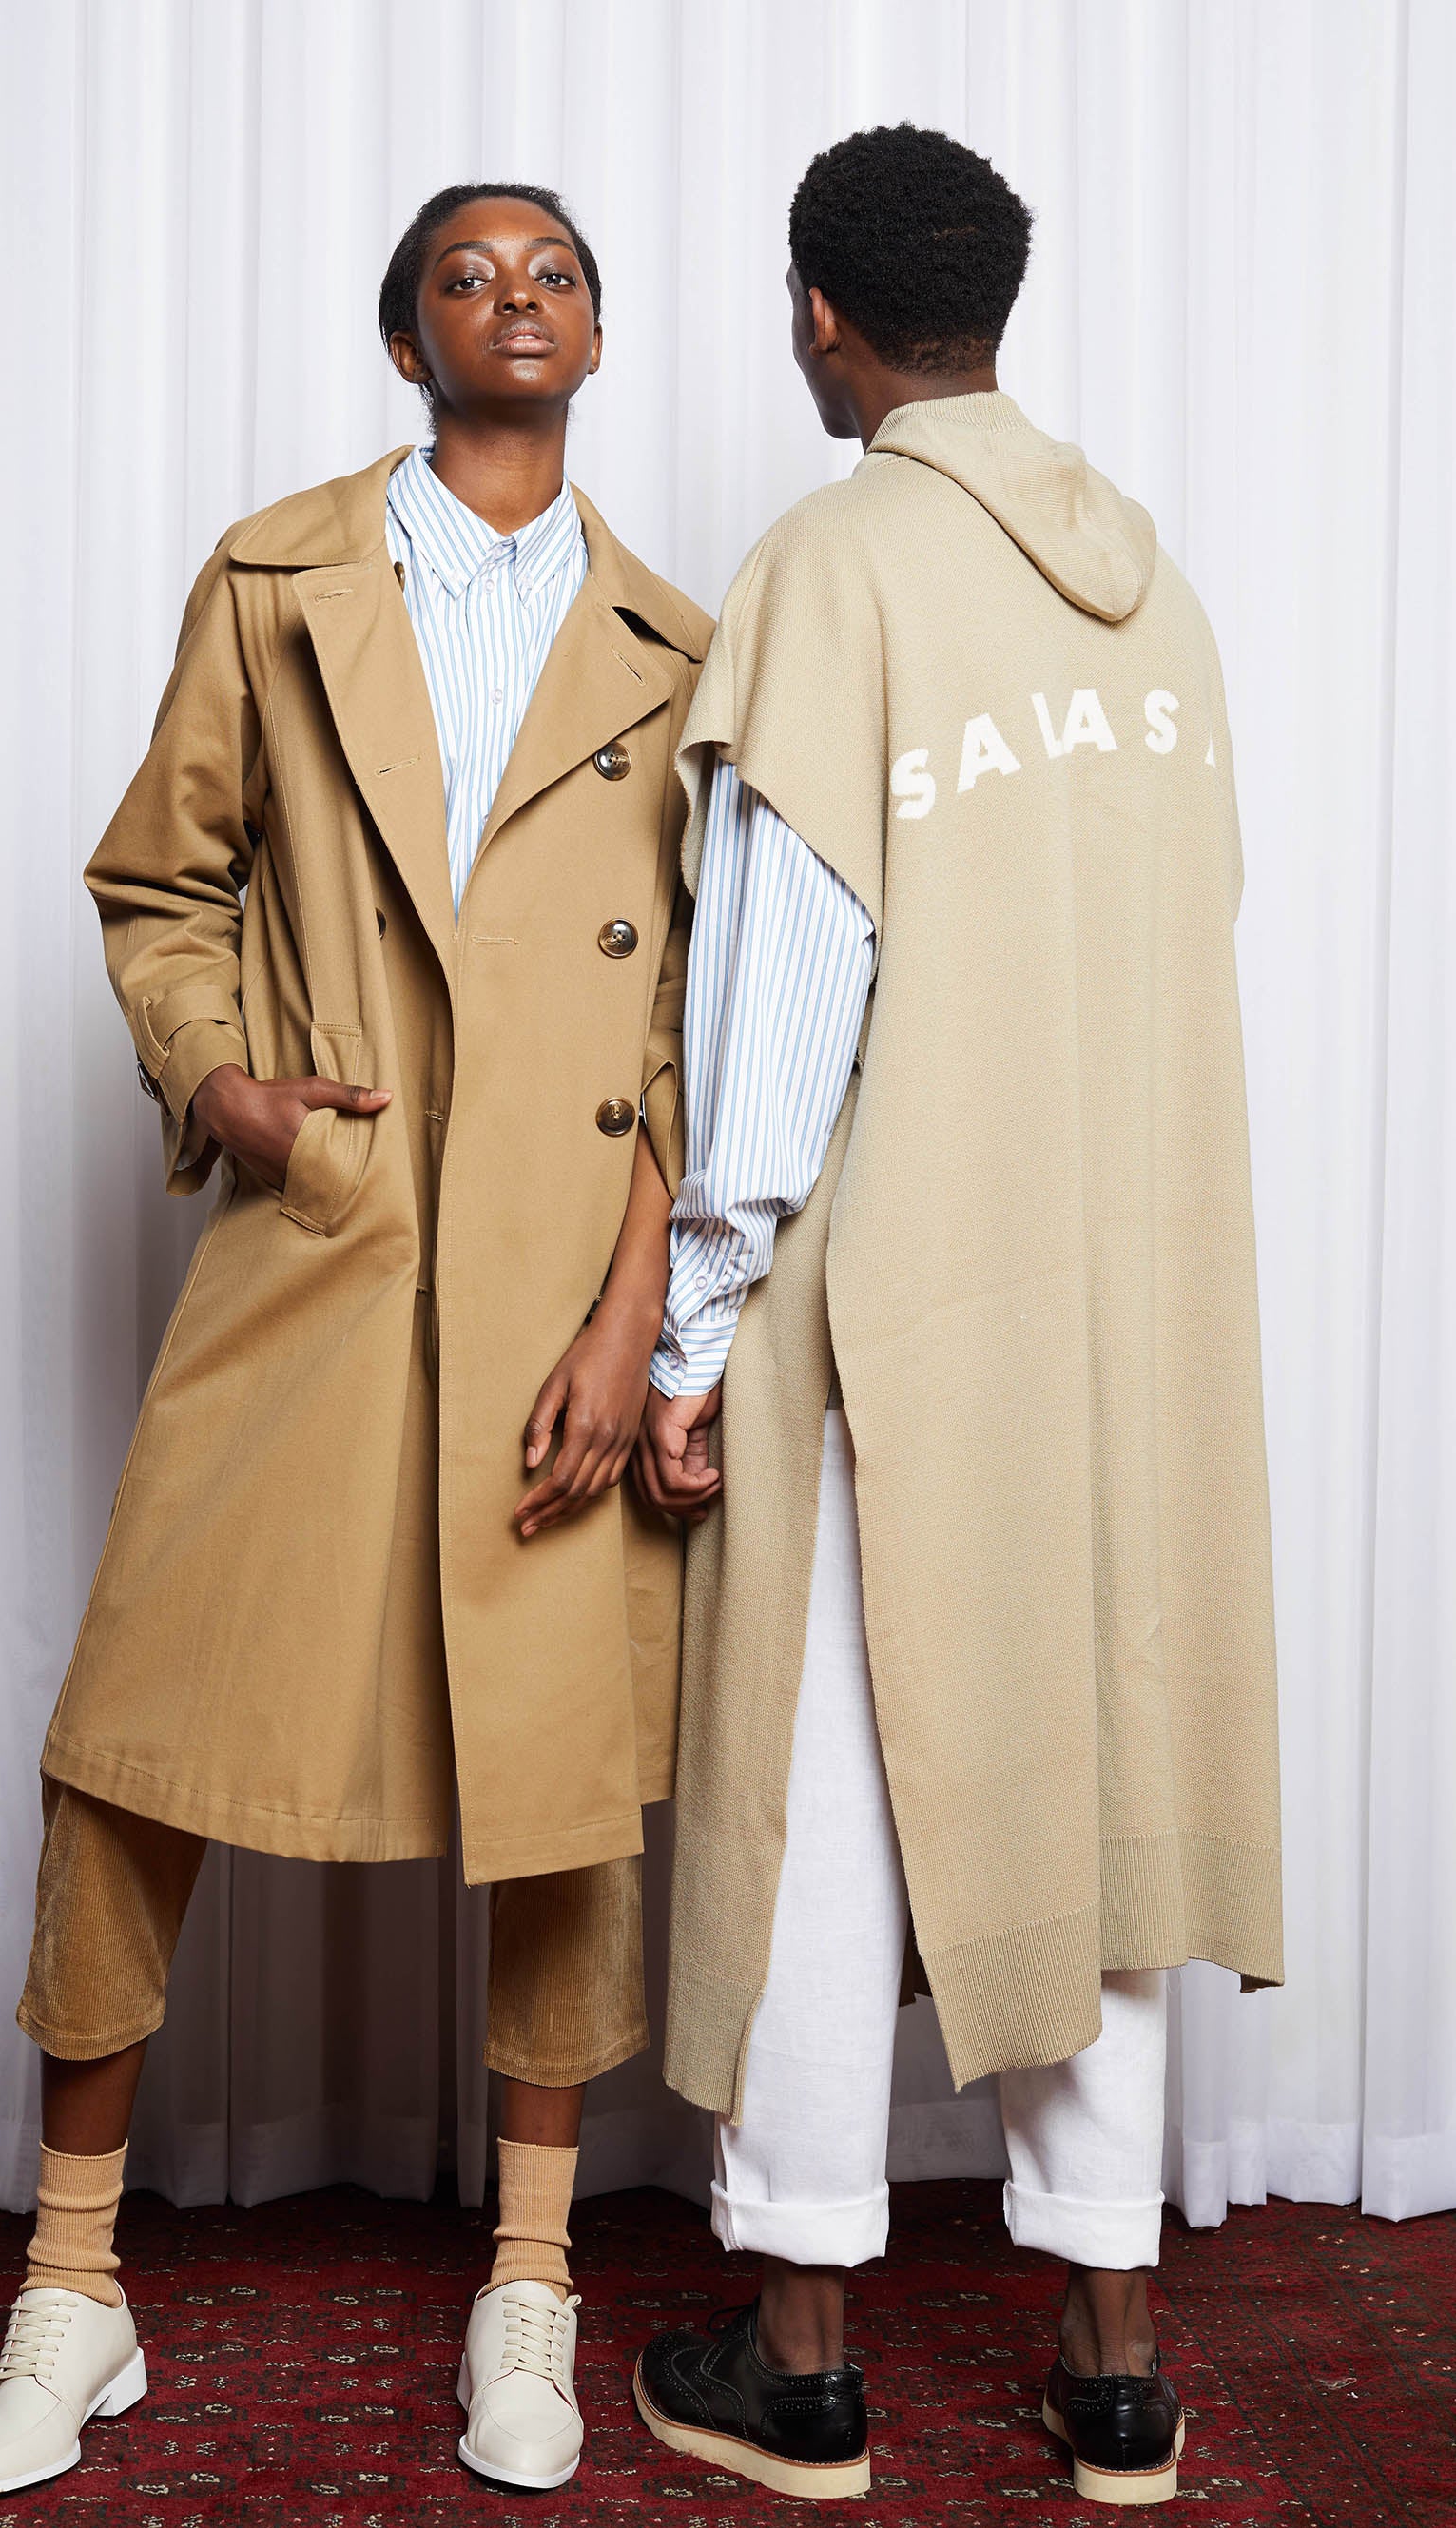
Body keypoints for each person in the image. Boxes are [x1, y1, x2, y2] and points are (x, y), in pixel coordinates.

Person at [0, 181, 710, 2501]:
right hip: (324, 1242)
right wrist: (230, 1095)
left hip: (559, 1286)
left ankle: (529, 2284)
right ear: (406, 343)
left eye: (553, 272)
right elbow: (158, 882)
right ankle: (74, 2283)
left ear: (600, 337)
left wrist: (634, 1317)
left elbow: (685, 1025)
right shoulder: (275, 581)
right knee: (133, 1743)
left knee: (557, 1785)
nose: (514, 299)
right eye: (466, 274)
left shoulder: (679, 647)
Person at [631, 124, 1281, 2507]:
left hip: (890, 1283)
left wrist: (695, 1323)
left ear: (820, 315)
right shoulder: (1154, 587)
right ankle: (1114, 2361)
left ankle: (802, 2349)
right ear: (992, 307)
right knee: (1088, 1763)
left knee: (815, 1786)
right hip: (1126, 1286)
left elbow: (782, 985)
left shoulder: (834, 563)